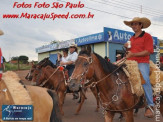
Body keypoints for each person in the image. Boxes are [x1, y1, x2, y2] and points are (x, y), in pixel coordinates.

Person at [124, 17, 154, 118]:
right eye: (132, 24)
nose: (134, 26)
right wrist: (126, 48)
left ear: (141, 25)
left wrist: (133, 54)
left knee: (145, 80)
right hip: (131, 61)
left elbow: (148, 51)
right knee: (117, 72)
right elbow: (130, 50)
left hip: (142, 62)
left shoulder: (147, 36)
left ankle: (150, 105)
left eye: (136, 24)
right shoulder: (131, 38)